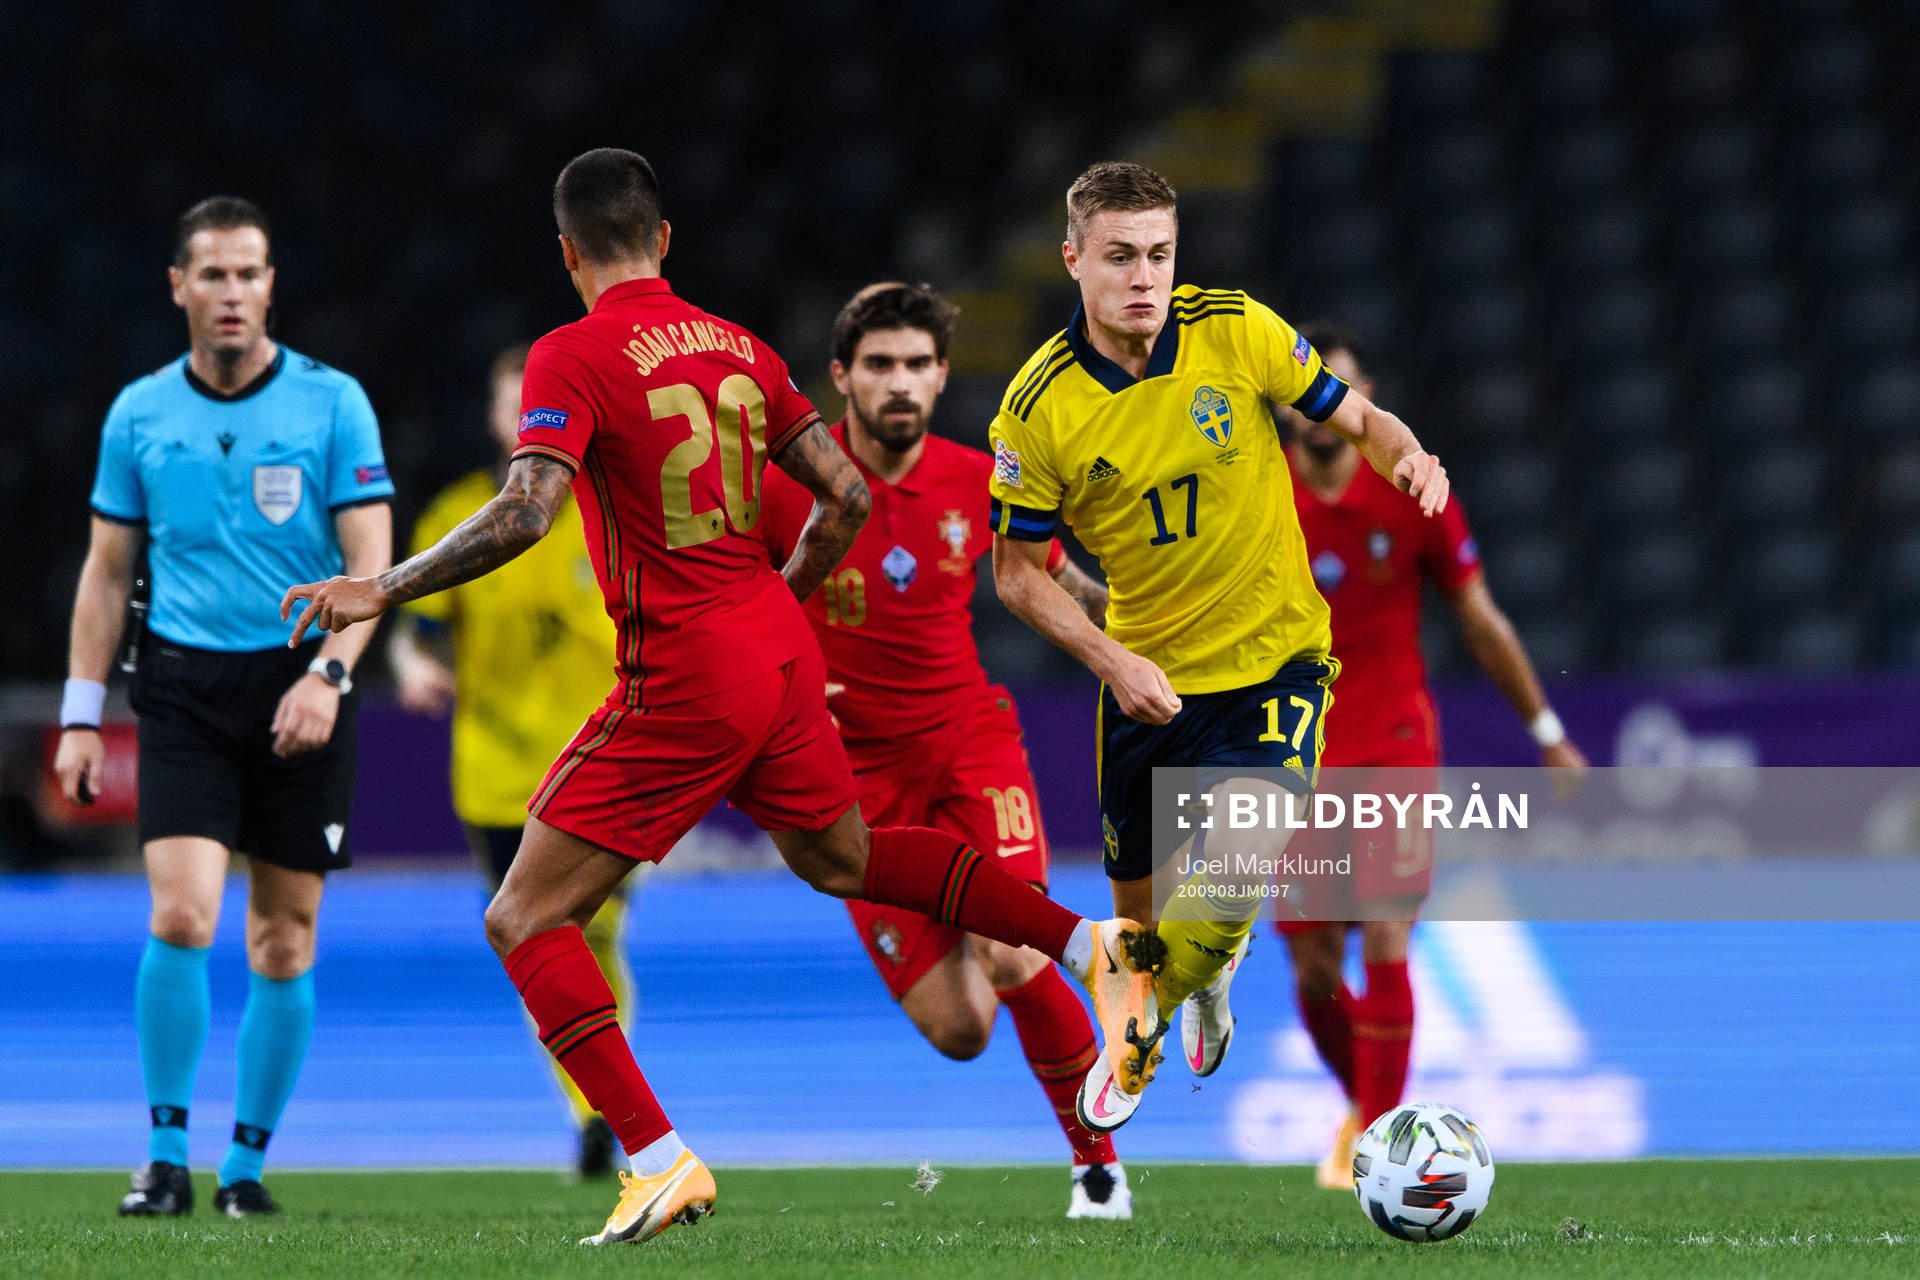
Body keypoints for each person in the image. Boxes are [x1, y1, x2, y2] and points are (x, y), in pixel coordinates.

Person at [281, 148, 1158, 1247]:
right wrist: (780, 602)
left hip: (686, 666)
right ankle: (1090, 944)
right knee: (846, 856)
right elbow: (842, 493)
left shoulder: (571, 351)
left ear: (568, 253)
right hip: (777, 649)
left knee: (522, 913)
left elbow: (526, 509)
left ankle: (653, 1157)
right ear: (664, 238)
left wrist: (382, 586)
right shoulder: (737, 343)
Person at [986, 161, 1451, 1133]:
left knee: (1223, 891)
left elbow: (1357, 417)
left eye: (1159, 253)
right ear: (1073, 260)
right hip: (1147, 684)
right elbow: (1017, 571)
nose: (1144, 277)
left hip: (1276, 668)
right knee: (1140, 935)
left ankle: (1148, 1030)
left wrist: (1403, 450)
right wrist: (1114, 660)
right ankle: (1194, 983)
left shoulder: (1237, 329)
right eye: (1119, 257)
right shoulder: (1038, 407)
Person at [758, 282, 1129, 1218]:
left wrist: (1132, 630)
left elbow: (1055, 578)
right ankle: (1030, 971)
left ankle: (1099, 1171)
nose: (900, 383)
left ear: (942, 376)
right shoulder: (782, 488)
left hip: (969, 742)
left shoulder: (978, 479)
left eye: (918, 365)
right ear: (840, 377)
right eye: (880, 365)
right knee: (961, 1030)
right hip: (858, 786)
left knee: (1011, 950)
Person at [55, 197, 394, 1218]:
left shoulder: (334, 404)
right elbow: (108, 571)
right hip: (186, 687)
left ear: (271, 284)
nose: (233, 292)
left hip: (301, 687)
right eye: (213, 274)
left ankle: (244, 1165)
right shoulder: (139, 413)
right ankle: (164, 1156)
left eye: (250, 273)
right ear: (179, 287)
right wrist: (79, 712)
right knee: (182, 911)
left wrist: (328, 677)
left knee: (282, 940)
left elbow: (372, 564)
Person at [1278, 323, 1588, 1187]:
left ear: (1362, 396)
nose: (1322, 411)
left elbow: (1480, 620)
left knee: (1383, 927)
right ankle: (1361, 1109)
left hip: (1393, 742)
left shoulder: (1409, 486)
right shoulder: (1258, 499)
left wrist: (1548, 734)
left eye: (1337, 392)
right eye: (1306, 396)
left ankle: (1378, 1142)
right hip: (1291, 753)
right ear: (1285, 409)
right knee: (1310, 962)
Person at [388, 342, 639, 1178]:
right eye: (514, 400)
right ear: (499, 417)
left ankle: (604, 1109)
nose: (528, 411)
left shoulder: (617, 506)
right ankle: (595, 1110)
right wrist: (412, 666)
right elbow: (416, 628)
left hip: (608, 761)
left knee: (587, 932)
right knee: (544, 945)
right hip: (497, 773)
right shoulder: (461, 514)